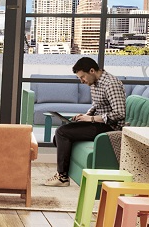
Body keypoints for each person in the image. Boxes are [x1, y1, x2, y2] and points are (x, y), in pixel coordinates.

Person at [44, 57, 125, 186]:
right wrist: (86, 115)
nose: (81, 81)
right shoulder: (94, 83)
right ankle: (65, 173)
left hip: (110, 127)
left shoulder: (111, 84)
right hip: (97, 122)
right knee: (57, 137)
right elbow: (97, 105)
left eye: (82, 77)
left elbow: (119, 114)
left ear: (92, 71)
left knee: (62, 133)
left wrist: (91, 119)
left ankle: (62, 177)